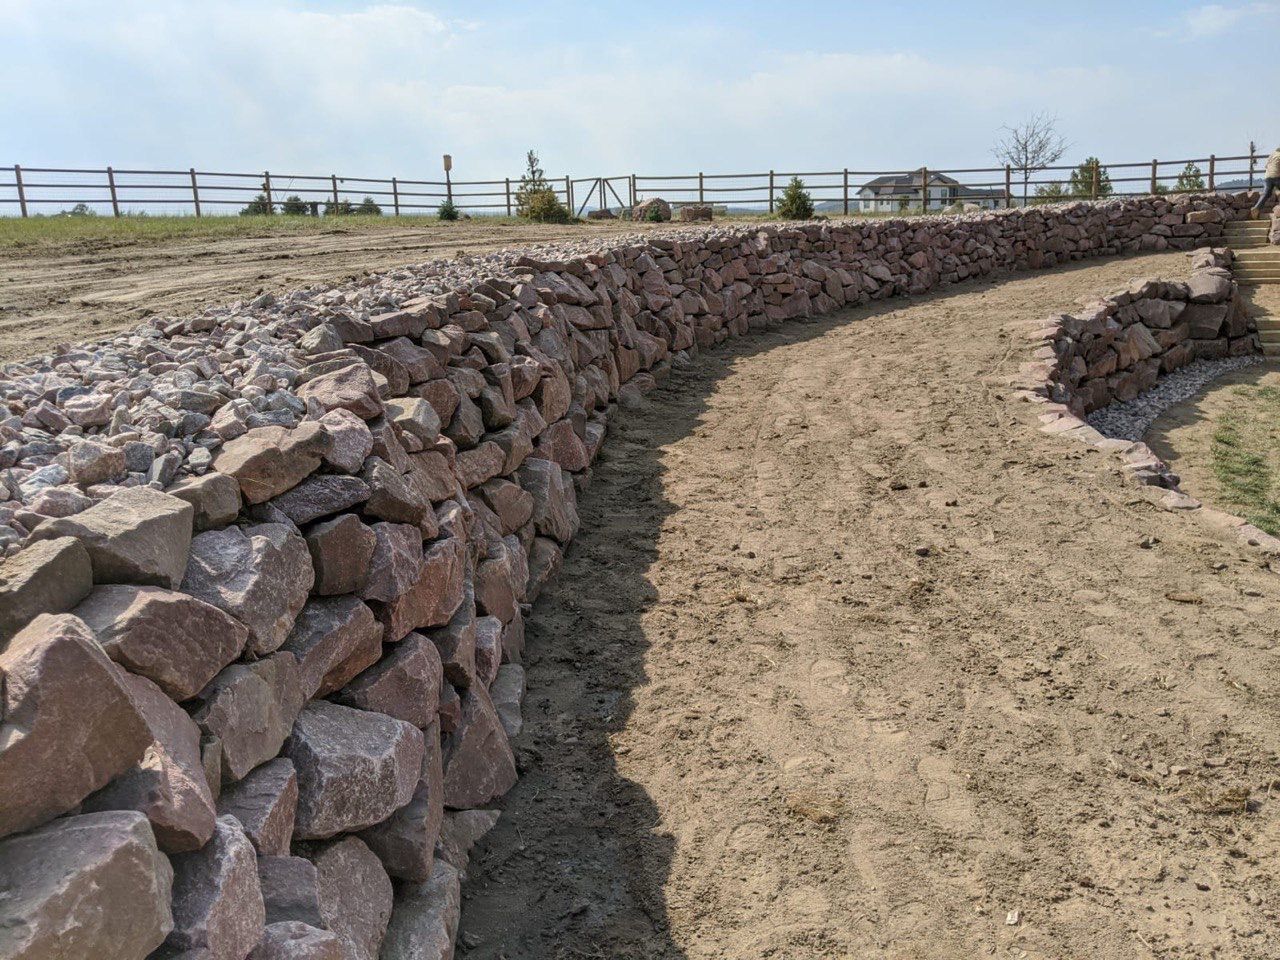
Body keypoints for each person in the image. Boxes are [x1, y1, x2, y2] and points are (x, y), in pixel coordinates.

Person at [1252, 146, 1280, 219]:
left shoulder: (1271, 155)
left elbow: (1266, 166)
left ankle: (1257, 208)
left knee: (1266, 193)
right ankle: (1277, 190)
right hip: (1277, 177)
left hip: (1267, 177)